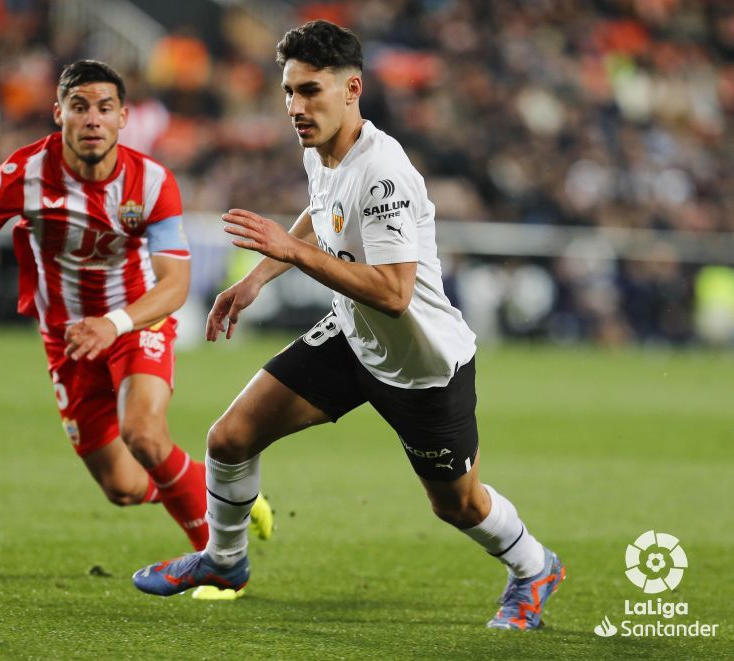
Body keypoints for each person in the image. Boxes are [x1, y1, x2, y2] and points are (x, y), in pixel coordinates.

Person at [133, 21, 565, 630]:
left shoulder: (383, 173)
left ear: (352, 88)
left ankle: (534, 566)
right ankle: (224, 560)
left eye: (309, 91)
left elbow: (393, 294)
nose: (294, 107)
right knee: (228, 440)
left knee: (456, 504)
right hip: (352, 337)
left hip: (423, 367)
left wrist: (292, 254)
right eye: (288, 91)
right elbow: (323, 207)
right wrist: (260, 276)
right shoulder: (323, 146)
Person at [0, 59, 271, 555]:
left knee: (143, 433)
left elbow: (175, 285)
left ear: (123, 118)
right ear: (58, 114)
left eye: (104, 108)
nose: (92, 118)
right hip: (66, 338)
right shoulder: (24, 174)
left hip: (136, 320)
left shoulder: (152, 183)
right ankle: (220, 492)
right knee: (122, 487)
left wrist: (113, 323)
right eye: (79, 107)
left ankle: (218, 562)